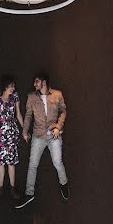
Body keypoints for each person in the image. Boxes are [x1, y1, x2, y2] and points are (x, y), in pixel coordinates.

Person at [15, 71, 70, 209]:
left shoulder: (57, 94)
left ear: (44, 83)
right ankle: (29, 194)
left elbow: (63, 111)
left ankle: (64, 183)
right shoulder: (31, 97)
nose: (34, 84)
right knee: (32, 164)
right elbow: (28, 115)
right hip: (38, 136)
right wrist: (25, 131)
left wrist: (58, 126)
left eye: (37, 82)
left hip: (54, 135)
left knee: (57, 162)